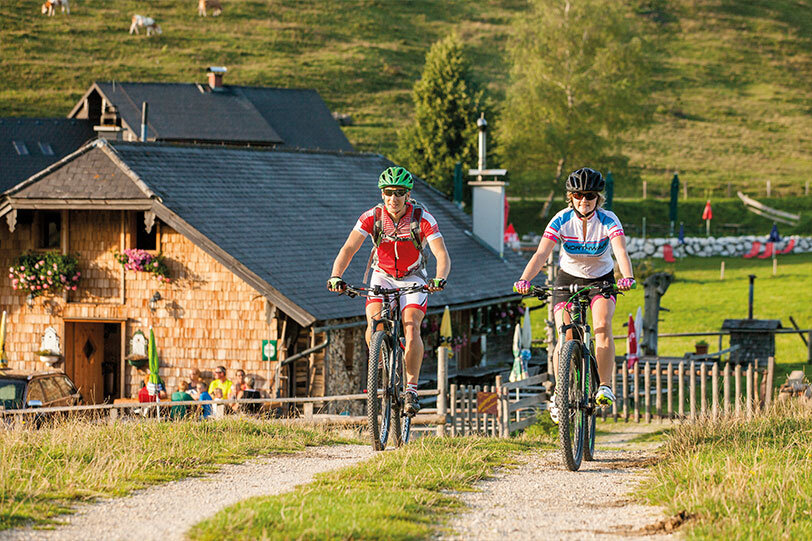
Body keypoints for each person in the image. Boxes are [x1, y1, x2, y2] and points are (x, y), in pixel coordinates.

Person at [514, 167, 635, 423]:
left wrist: (627, 277)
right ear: (571, 197)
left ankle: (604, 386)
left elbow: (620, 252)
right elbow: (541, 254)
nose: (584, 200)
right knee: (564, 335)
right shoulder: (560, 219)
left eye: (589, 195)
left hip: (601, 279)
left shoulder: (608, 220)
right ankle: (560, 394)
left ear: (597, 198)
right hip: (567, 278)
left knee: (601, 326)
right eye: (578, 195)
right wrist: (525, 279)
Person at [327, 166, 451, 416]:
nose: (393, 198)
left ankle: (412, 389)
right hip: (382, 275)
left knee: (411, 324)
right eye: (388, 192)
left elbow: (441, 254)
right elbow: (348, 248)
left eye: (399, 193)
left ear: (407, 194)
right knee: (374, 322)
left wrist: (439, 278)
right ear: (382, 194)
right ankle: (379, 367)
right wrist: (336, 275)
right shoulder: (370, 217)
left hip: (412, 277)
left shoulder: (422, 219)